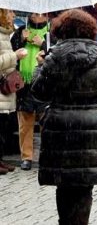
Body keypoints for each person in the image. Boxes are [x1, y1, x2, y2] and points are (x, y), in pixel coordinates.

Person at [30, 9, 97, 224]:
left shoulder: (54, 57)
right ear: (90, 30)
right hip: (93, 129)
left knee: (64, 183)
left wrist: (39, 68)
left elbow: (39, 91)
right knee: (84, 185)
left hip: (61, 127)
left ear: (62, 30)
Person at [10, 12, 50, 171]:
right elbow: (12, 50)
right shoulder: (21, 31)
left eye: (41, 14)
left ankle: (47, 155)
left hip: (44, 82)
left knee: (46, 121)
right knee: (25, 121)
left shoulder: (51, 31)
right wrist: (21, 39)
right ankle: (26, 157)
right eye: (34, 14)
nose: (38, 16)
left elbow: (57, 52)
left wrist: (42, 44)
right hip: (24, 81)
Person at [0, 9, 27, 174]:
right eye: (10, 12)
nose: (14, 15)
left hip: (6, 91)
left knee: (3, 129)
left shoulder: (6, 35)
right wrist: (15, 56)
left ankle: (1, 160)